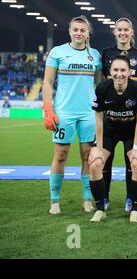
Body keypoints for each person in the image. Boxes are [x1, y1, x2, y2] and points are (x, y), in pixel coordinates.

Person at [42, 15, 102, 214]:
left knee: (87, 156)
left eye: (82, 30)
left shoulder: (95, 55)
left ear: (87, 34)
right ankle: (54, 201)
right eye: (75, 29)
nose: (78, 33)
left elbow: (100, 85)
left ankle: (86, 199)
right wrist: (48, 110)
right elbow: (47, 83)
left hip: (88, 113)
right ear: (69, 31)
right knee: (60, 155)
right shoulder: (58, 52)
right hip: (64, 112)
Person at [88, 55, 137, 223]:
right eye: (115, 70)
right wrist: (98, 147)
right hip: (109, 131)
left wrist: (136, 147)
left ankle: (134, 209)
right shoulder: (102, 88)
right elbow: (98, 119)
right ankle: (100, 209)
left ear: (129, 72)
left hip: (130, 132)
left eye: (123, 70)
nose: (119, 74)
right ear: (110, 72)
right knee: (94, 164)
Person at [101, 17, 137, 212]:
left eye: (126, 30)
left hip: (133, 118)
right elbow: (103, 84)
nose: (122, 33)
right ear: (114, 32)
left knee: (133, 163)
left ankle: (131, 199)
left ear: (131, 32)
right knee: (106, 162)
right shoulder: (106, 53)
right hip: (111, 118)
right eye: (119, 30)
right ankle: (104, 198)